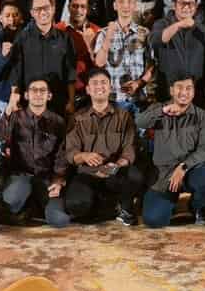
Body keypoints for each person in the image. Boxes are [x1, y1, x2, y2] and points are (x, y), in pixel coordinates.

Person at [60, 71, 146, 225]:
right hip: (88, 174)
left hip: (114, 173)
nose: (99, 86)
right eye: (95, 83)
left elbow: (130, 148)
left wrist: (117, 165)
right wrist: (84, 156)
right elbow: (70, 152)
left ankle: (119, 204)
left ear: (110, 87)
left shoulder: (123, 116)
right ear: (88, 89)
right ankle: (109, 206)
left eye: (103, 82)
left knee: (135, 176)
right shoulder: (77, 118)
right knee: (76, 205)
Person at [136, 75, 205, 228]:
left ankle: (196, 207)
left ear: (194, 92)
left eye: (189, 88)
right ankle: (169, 202)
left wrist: (184, 167)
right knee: (154, 220)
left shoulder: (202, 116)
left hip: (191, 169)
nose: (184, 92)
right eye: (179, 88)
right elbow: (139, 122)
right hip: (164, 174)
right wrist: (162, 111)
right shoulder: (159, 109)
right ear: (171, 90)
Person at [0, 79, 72, 228]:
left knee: (59, 220)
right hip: (21, 176)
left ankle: (36, 206)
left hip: (46, 178)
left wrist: (58, 180)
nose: (38, 93)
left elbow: (62, 154)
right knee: (13, 201)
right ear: (26, 95)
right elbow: (0, 135)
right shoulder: (16, 116)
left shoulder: (58, 121)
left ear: (49, 96)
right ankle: (26, 204)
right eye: (33, 90)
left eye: (42, 90)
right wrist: (10, 107)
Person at [4, 0, 75, 112]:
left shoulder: (65, 39)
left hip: (58, 103)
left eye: (46, 8)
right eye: (37, 9)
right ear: (32, 13)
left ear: (53, 9)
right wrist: (14, 98)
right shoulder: (22, 38)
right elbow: (16, 72)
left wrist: (71, 101)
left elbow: (71, 73)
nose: (42, 12)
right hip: (29, 105)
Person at [93, 0, 154, 110]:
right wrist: (109, 35)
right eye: (121, 2)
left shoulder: (144, 33)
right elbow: (99, 63)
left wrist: (139, 83)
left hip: (139, 98)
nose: (126, 6)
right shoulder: (104, 33)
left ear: (135, 5)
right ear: (114, 6)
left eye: (130, 2)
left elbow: (152, 65)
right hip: (114, 99)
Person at [152, 0, 205, 103]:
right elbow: (156, 41)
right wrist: (179, 25)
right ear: (174, 5)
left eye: (191, 3)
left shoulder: (202, 29)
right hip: (168, 91)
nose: (186, 7)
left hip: (196, 93)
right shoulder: (161, 24)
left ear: (196, 7)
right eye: (182, 3)